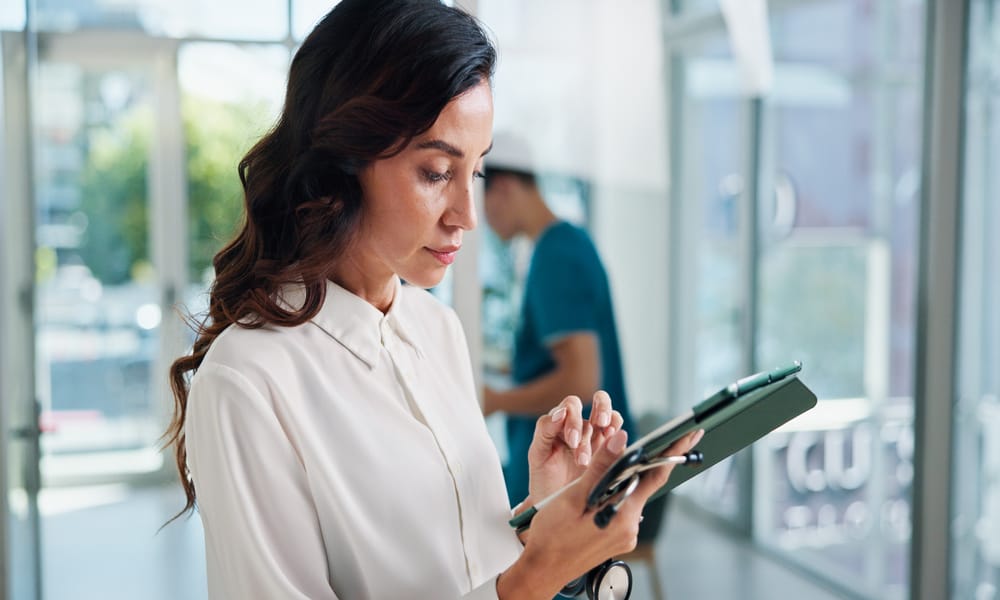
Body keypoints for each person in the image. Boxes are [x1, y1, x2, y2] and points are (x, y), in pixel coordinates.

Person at [163, 1, 701, 598]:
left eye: (474, 172)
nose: (467, 217)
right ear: (342, 162)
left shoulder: (436, 329)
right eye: (437, 172)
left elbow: (466, 570)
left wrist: (543, 517)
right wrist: (534, 577)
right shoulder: (250, 379)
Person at [480, 136, 639, 507]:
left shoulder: (556, 255)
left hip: (570, 471)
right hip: (572, 466)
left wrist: (495, 399)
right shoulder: (566, 243)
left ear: (502, 188)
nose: (479, 219)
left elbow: (581, 380)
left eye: (480, 202)